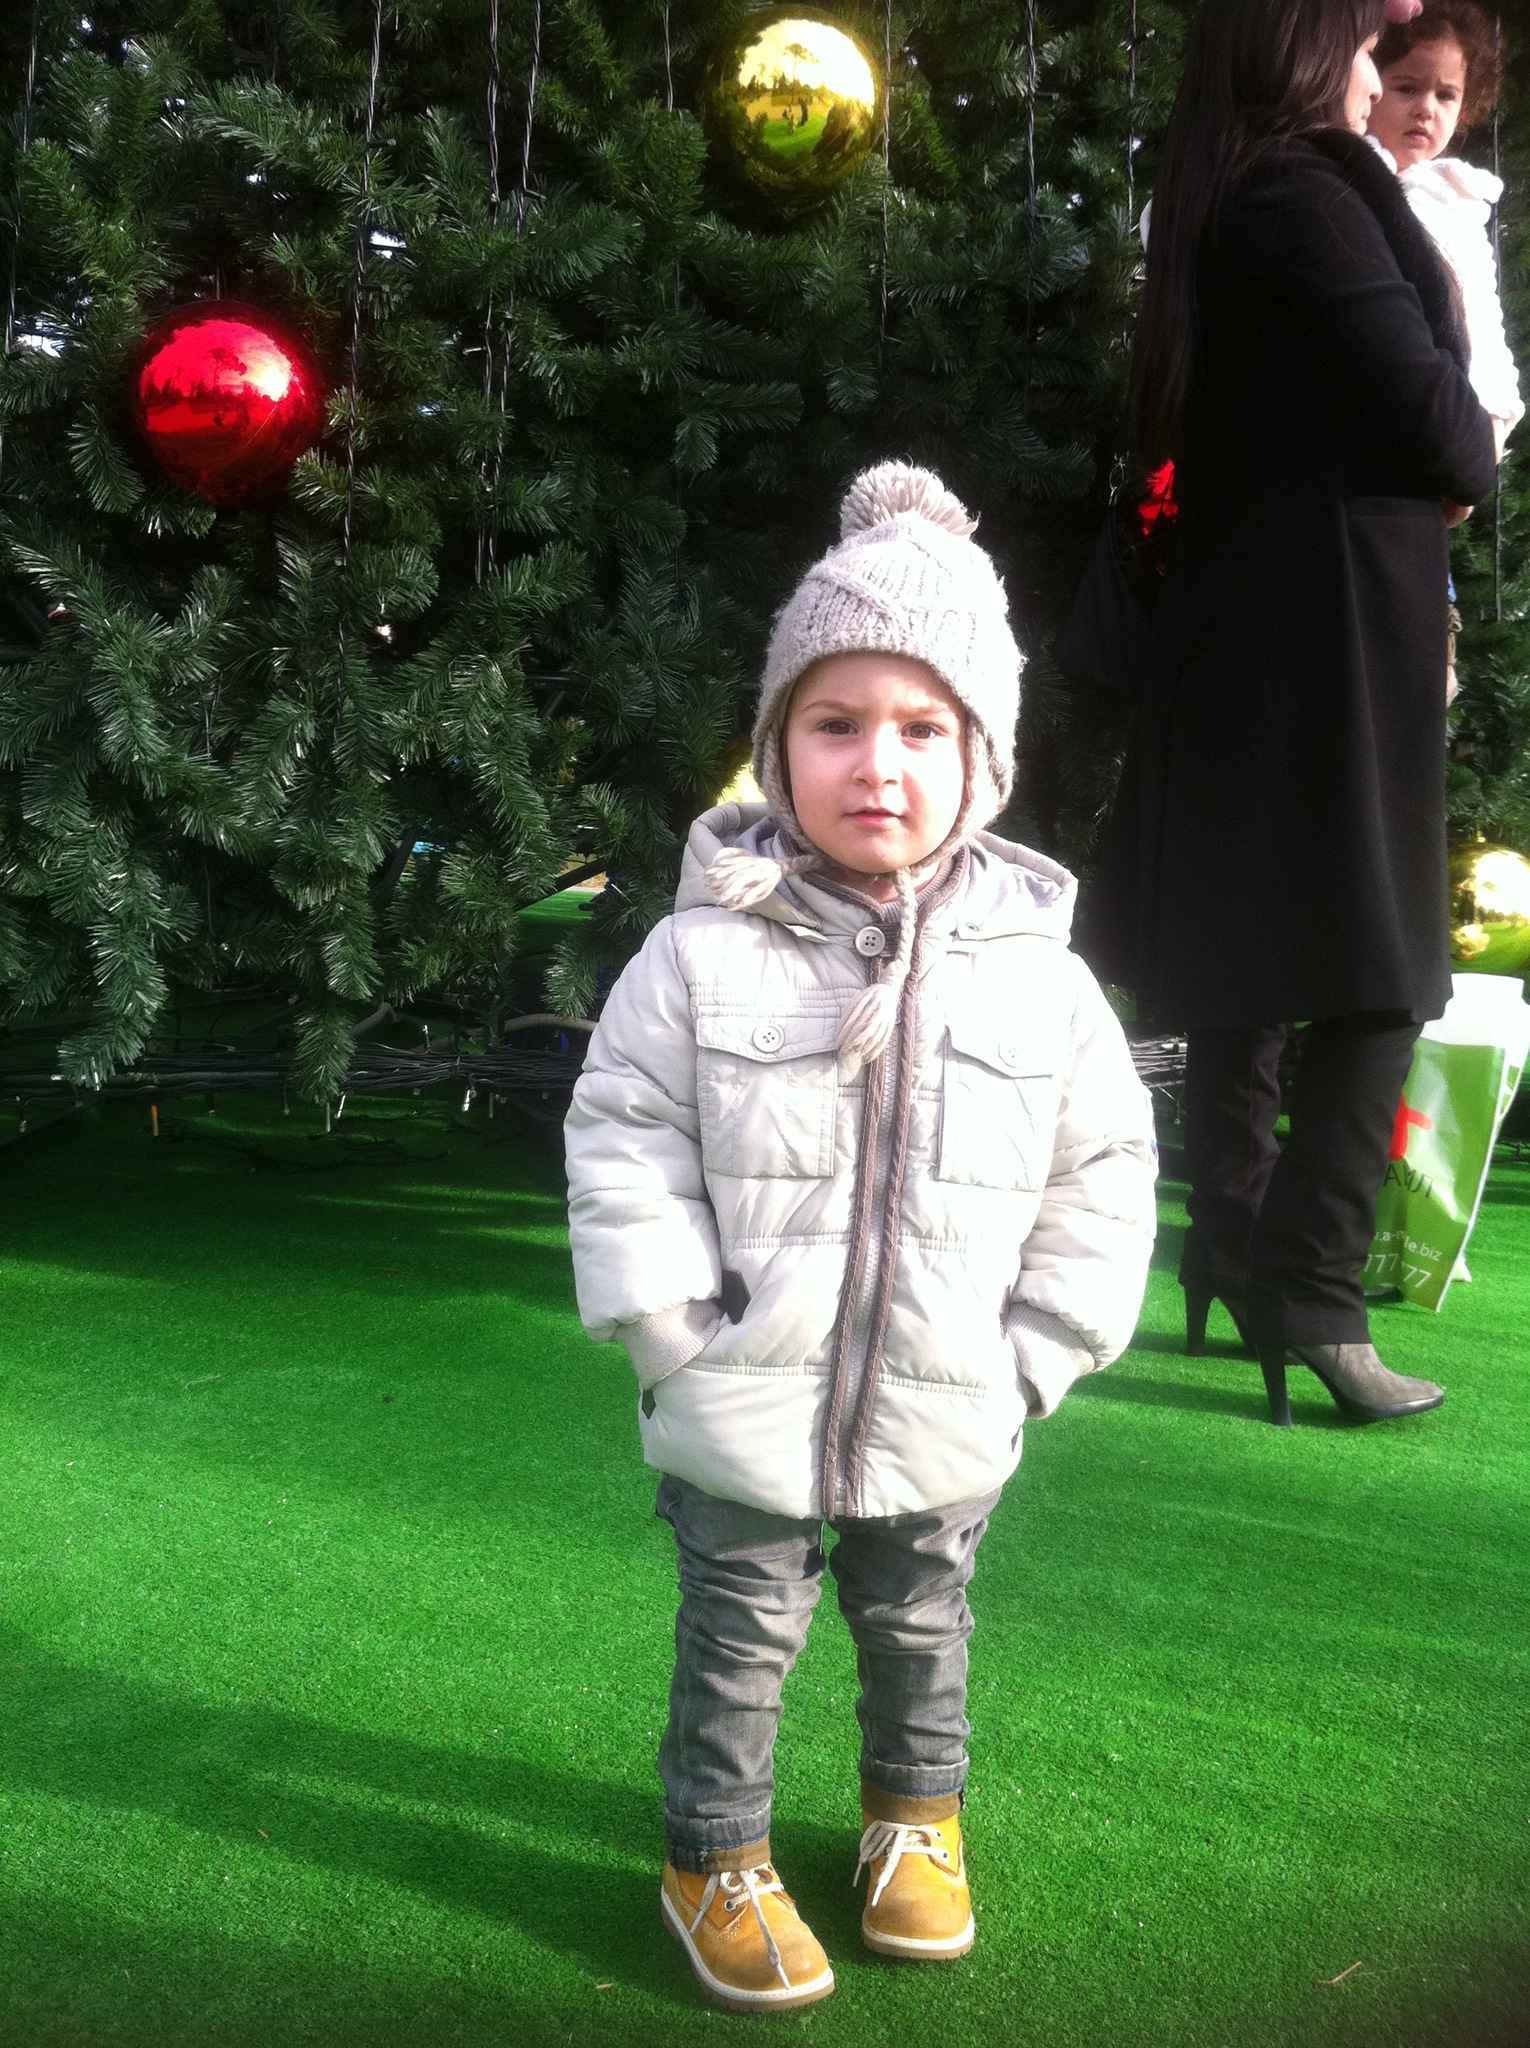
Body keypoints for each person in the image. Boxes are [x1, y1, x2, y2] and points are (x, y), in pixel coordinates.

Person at [565, 463, 1157, 2013]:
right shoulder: (696, 956)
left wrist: (1031, 1358)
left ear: (983, 761)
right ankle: (712, 1853)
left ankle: (915, 1817)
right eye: (833, 724)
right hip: (739, 1395)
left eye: (920, 730)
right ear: (776, 749)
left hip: (949, 1397)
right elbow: (622, 1137)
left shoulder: (1042, 980)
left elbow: (1100, 1176)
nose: (875, 765)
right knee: (737, 1635)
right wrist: (673, 1333)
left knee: (920, 1622)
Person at [1081, 0, 1497, 1426]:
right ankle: (1307, 1286)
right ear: (1309, 52)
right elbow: (1451, 436)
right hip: (1332, 627)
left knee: (1256, 959)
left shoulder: (1242, 189)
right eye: (1372, 53)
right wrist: (1458, 435)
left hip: (1278, 623)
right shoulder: (1303, 196)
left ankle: (1236, 1249)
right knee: (1384, 972)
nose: (1386, 80)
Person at [1370, 0, 1521, 461]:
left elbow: (1483, 319)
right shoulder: (1345, 178)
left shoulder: (1459, 202)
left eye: (1446, 95)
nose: (1426, 109)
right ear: (1370, 85)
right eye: (1407, 88)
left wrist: (1495, 414)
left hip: (1457, 427)